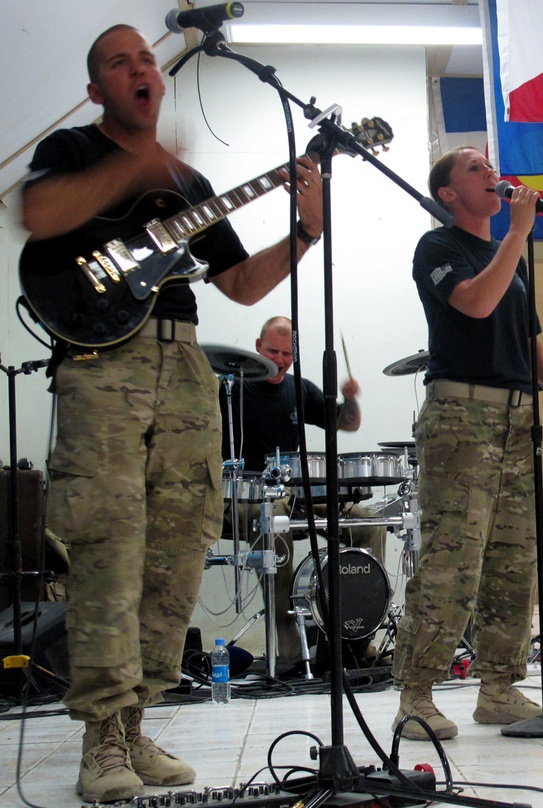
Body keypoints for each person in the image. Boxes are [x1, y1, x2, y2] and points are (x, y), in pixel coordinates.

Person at [21, 25, 323, 803]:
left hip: (185, 362)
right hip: (102, 365)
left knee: (182, 541)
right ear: (96, 91)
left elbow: (244, 286)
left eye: (146, 57)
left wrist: (307, 230)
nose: (139, 67)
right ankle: (99, 739)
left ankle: (136, 721)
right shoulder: (76, 154)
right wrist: (133, 166)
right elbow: (40, 215)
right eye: (120, 61)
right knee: (106, 543)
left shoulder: (186, 181)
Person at [392, 147, 543, 741]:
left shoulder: (510, 260)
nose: (491, 175)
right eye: (473, 168)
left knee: (511, 561)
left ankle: (498, 687)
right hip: (462, 418)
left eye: (487, 166)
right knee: (452, 560)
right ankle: (416, 694)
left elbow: (526, 338)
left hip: (515, 419)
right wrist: (518, 233)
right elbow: (475, 304)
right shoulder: (440, 248)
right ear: (448, 194)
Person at [218, 315, 362, 669]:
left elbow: (347, 423)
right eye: (273, 351)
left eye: (287, 353)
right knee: (277, 529)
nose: (280, 360)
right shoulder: (228, 391)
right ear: (257, 348)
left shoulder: (301, 389)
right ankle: (290, 655)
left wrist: (350, 399)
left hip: (294, 498)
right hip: (241, 501)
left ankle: (356, 642)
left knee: (366, 523)